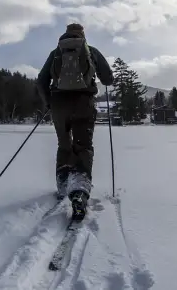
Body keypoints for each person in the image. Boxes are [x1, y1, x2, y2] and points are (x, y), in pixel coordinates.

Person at [36, 23, 114, 221]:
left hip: (59, 105)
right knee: (83, 147)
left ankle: (63, 186)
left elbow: (41, 80)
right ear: (82, 35)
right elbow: (108, 79)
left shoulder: (56, 53)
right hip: (84, 103)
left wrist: (48, 103)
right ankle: (78, 192)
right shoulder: (90, 51)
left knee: (64, 145)